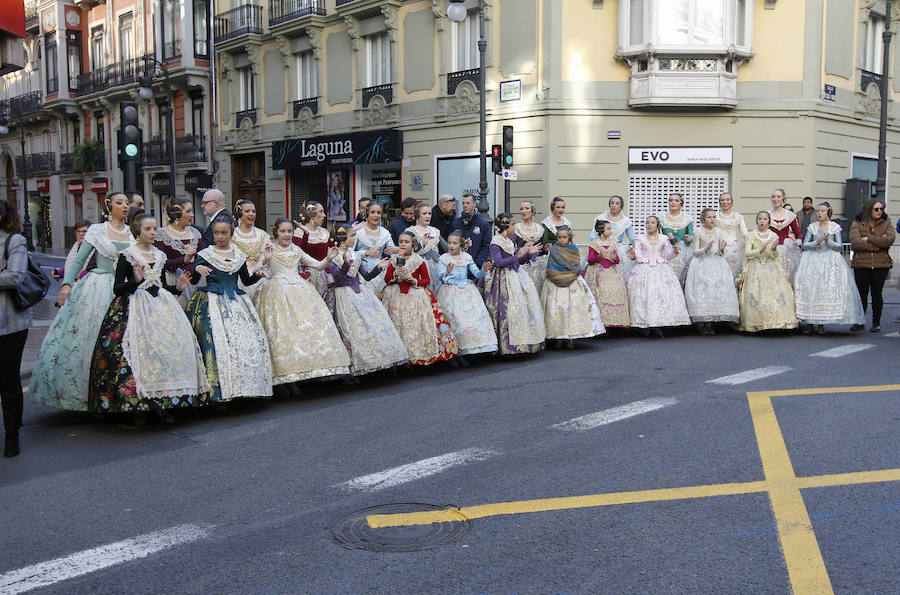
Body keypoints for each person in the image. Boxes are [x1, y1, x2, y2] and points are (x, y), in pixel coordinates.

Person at [88, 212, 208, 424]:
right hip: (134, 306)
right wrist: (134, 281)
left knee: (166, 353)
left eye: (154, 228)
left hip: (161, 305)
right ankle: (139, 407)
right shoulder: (127, 255)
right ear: (137, 231)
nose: (153, 232)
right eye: (148, 229)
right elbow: (118, 289)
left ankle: (164, 403)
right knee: (138, 353)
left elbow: (160, 284)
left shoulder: (160, 256)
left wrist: (177, 288)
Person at [29, 193, 134, 412]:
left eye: (126, 203)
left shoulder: (132, 232)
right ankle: (85, 393)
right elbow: (79, 259)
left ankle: (122, 392)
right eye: (119, 203)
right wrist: (67, 283)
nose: (125, 206)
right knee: (89, 338)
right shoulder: (97, 230)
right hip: (99, 288)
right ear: (109, 207)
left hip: (125, 289)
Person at [255, 218, 350, 393]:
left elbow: (317, 265)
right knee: (282, 333)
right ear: (276, 232)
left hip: (300, 289)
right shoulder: (270, 248)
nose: (286, 234)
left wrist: (328, 258)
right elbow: (252, 270)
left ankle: (303, 373)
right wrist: (264, 260)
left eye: (289, 231)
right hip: (276, 292)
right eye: (283, 231)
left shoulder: (297, 249)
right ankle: (284, 380)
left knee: (305, 331)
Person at [185, 214, 273, 402]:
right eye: (216, 233)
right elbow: (193, 279)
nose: (220, 236)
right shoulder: (205, 254)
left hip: (236, 302)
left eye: (224, 233)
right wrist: (196, 270)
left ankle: (245, 387)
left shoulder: (239, 255)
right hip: (212, 301)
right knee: (216, 344)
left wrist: (257, 274)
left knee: (243, 343)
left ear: (231, 233)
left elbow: (246, 280)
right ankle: (220, 391)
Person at [326, 225, 408, 378]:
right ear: (342, 239)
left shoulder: (356, 255)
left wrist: (378, 267)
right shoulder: (334, 256)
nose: (354, 239)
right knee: (348, 330)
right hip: (342, 294)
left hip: (359, 293)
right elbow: (337, 279)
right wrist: (345, 264)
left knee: (372, 325)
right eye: (352, 236)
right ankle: (349, 370)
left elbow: (367, 276)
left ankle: (374, 362)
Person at [381, 230, 459, 367]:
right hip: (395, 296)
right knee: (397, 324)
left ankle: (416, 356)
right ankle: (398, 358)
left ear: (413, 244)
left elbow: (426, 280)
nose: (403, 244)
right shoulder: (394, 260)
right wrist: (394, 275)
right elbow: (387, 279)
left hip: (415, 296)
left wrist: (414, 280)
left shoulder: (418, 260)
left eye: (407, 242)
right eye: (401, 242)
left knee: (416, 325)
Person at [794, 203, 865, 334]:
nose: (819, 213)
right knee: (810, 291)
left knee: (825, 291)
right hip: (812, 261)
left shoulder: (834, 227)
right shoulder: (812, 227)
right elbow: (805, 245)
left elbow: (839, 246)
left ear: (828, 212)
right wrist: (818, 241)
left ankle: (821, 323)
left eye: (822, 211)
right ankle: (809, 322)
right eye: (818, 211)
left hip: (830, 261)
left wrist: (828, 241)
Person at [482, 213, 545, 355]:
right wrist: (518, 255)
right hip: (502, 279)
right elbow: (498, 262)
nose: (515, 227)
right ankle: (507, 345)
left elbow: (517, 260)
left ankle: (522, 343)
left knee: (521, 309)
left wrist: (528, 254)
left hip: (516, 275)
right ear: (505, 226)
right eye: (512, 224)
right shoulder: (496, 242)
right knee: (507, 311)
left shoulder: (510, 241)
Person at [436, 231, 498, 363]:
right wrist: (446, 273)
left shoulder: (466, 257)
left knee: (474, 318)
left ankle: (474, 348)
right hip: (450, 291)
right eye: (450, 243)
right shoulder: (444, 259)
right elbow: (440, 277)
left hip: (466, 290)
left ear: (460, 245)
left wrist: (484, 270)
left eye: (455, 243)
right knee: (455, 319)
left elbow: (476, 273)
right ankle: (456, 351)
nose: (451, 246)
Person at [627, 215, 691, 338]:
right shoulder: (640, 238)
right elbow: (638, 254)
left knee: (660, 295)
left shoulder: (664, 238)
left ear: (657, 225)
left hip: (661, 268)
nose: (649, 225)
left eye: (652, 223)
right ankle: (643, 324)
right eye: (647, 223)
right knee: (644, 295)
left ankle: (658, 325)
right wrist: (643, 259)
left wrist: (675, 252)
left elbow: (667, 256)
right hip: (644, 268)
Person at [0, 200, 30, 457]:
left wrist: (5, 272)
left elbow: (15, 277)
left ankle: (12, 436)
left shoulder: (14, 241)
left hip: (9, 323)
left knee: (9, 381)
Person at [541, 225, 605, 348]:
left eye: (564, 237)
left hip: (572, 281)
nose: (562, 240)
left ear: (569, 237)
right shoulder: (554, 249)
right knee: (556, 309)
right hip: (555, 281)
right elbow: (551, 266)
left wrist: (570, 274)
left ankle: (571, 337)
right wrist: (557, 275)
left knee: (572, 308)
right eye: (559, 237)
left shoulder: (573, 249)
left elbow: (576, 265)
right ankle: (557, 337)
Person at [737, 212, 798, 333]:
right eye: (759, 219)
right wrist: (760, 250)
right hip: (755, 266)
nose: (762, 221)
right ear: (756, 221)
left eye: (765, 219)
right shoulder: (751, 235)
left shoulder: (773, 235)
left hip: (771, 266)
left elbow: (774, 256)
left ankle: (777, 320)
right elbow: (748, 253)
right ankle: (756, 322)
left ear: (768, 222)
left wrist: (774, 249)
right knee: (755, 293)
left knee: (777, 292)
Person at [683, 209, 740, 334]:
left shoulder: (719, 231)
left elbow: (720, 251)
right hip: (701, 263)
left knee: (716, 290)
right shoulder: (698, 232)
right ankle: (701, 323)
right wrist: (705, 249)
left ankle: (710, 323)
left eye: (714, 217)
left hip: (717, 262)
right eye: (709, 217)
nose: (712, 219)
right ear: (703, 219)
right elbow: (695, 252)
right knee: (701, 290)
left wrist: (721, 249)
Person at [850, 199, 895, 332]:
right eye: (876, 209)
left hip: (881, 265)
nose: (880, 211)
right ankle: (859, 321)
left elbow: (889, 240)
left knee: (877, 294)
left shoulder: (887, 223)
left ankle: (876, 322)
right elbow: (855, 242)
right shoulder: (857, 223)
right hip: (861, 264)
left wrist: (869, 238)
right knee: (861, 294)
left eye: (881, 209)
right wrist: (878, 244)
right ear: (869, 210)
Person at [154, 197, 202, 305]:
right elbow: (159, 262)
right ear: (177, 213)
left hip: (195, 281)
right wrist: (183, 260)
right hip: (172, 282)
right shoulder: (161, 234)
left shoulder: (195, 233)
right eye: (188, 211)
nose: (192, 215)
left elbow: (203, 256)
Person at [584, 219, 630, 328]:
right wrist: (597, 257)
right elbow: (590, 260)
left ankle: (613, 321)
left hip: (612, 272)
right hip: (598, 272)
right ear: (601, 230)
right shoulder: (595, 243)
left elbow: (617, 260)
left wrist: (615, 258)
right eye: (608, 229)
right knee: (601, 293)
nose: (611, 231)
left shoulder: (612, 243)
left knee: (614, 291)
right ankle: (601, 323)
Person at [353, 201, 398, 296]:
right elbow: (348, 253)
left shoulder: (385, 233)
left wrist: (396, 251)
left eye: (378, 213)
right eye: (373, 212)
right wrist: (365, 253)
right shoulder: (358, 233)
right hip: (362, 273)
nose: (376, 215)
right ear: (367, 214)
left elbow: (393, 253)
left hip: (381, 273)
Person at [231, 199, 272, 299]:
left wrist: (259, 268)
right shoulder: (232, 235)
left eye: (253, 211)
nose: (251, 214)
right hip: (240, 276)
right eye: (247, 211)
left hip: (259, 274)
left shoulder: (262, 235)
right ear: (240, 213)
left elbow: (266, 257)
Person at [590, 195, 636, 281]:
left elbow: (632, 238)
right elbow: (592, 236)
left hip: (619, 250)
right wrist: (602, 243)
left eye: (617, 203)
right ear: (609, 205)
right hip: (602, 248)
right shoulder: (601, 218)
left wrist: (636, 250)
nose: (614, 205)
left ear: (621, 207)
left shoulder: (625, 221)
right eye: (612, 203)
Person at [292, 201, 331, 297]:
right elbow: (298, 253)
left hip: (326, 275)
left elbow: (336, 248)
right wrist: (306, 235)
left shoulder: (324, 232)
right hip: (307, 276)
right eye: (321, 212)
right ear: (312, 215)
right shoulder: (299, 233)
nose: (324, 215)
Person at [405, 202, 443, 293]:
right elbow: (407, 250)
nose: (427, 216)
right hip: (420, 266)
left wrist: (462, 246)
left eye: (429, 214)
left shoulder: (435, 231)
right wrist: (422, 243)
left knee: (437, 291)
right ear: (418, 215)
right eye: (424, 213)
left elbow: (447, 247)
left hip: (436, 265)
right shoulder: (411, 230)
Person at [767, 188, 801, 286]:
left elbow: (798, 233)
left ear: (783, 199)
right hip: (771, 248)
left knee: (786, 276)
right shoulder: (767, 214)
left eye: (778, 196)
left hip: (786, 249)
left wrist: (799, 240)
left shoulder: (790, 215)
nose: (775, 199)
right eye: (773, 197)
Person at [513, 201, 547, 294]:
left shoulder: (540, 229)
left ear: (532, 211)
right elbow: (512, 251)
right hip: (522, 267)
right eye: (521, 209)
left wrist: (546, 249)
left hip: (538, 268)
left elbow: (542, 250)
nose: (524, 211)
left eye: (527, 208)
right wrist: (527, 252)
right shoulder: (516, 229)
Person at [660, 193, 694, 285]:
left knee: (683, 278)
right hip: (666, 250)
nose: (673, 202)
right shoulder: (661, 217)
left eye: (676, 200)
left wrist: (689, 239)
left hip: (683, 250)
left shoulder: (687, 218)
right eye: (671, 200)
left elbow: (691, 235)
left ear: (681, 203)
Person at [452, 193, 492, 267]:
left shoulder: (483, 224)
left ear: (475, 205)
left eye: (468, 203)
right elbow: (451, 244)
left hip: (476, 267)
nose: (465, 205)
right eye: (463, 203)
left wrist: (477, 263)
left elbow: (486, 246)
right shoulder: (456, 223)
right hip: (458, 266)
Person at [715, 192, 748, 280]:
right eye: (722, 200)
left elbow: (745, 233)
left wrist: (752, 244)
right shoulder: (715, 217)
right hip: (719, 248)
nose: (725, 202)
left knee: (735, 274)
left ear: (732, 202)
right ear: (719, 202)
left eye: (728, 200)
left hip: (734, 248)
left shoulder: (738, 217)